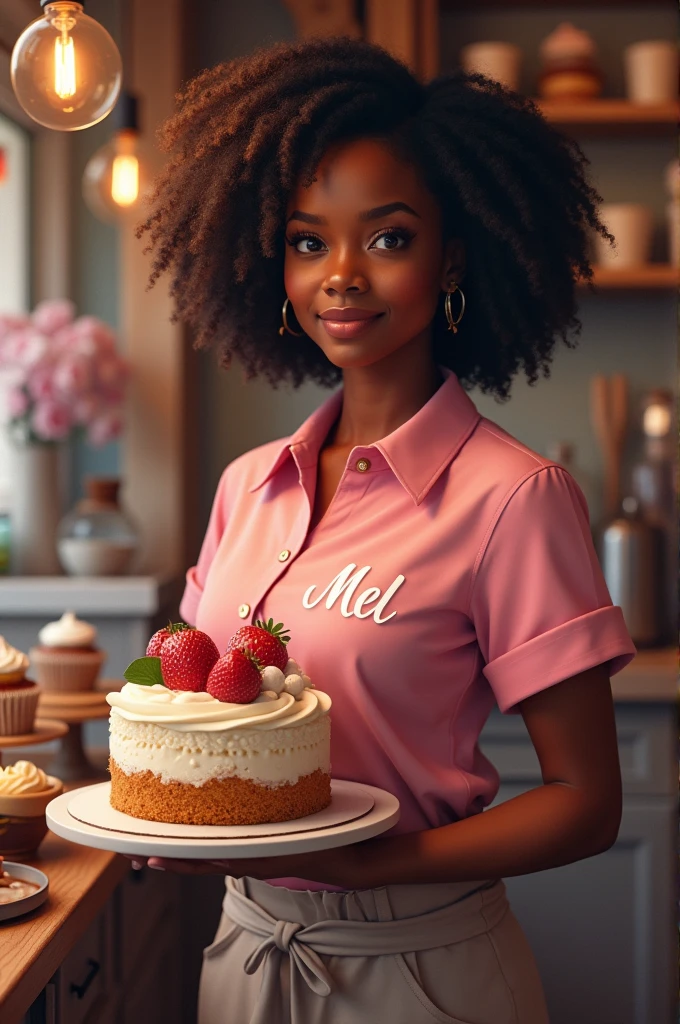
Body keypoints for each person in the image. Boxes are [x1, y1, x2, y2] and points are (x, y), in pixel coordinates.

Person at [127, 37, 636, 1024]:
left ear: (452, 256)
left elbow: (586, 802)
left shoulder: (513, 498)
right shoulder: (246, 486)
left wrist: (369, 862)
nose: (342, 276)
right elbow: (191, 704)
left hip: (419, 971)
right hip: (242, 954)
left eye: (389, 239)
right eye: (307, 242)